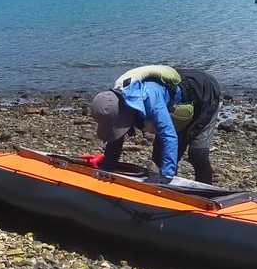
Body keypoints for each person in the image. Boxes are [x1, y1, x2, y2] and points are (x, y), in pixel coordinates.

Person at [87, 65, 224, 184]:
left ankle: (207, 191)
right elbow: (115, 136)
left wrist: (166, 177)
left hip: (206, 94)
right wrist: (107, 168)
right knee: (159, 157)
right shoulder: (114, 102)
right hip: (177, 102)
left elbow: (169, 136)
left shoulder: (150, 98)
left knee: (197, 153)